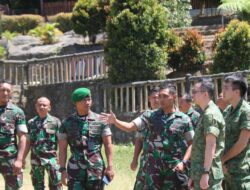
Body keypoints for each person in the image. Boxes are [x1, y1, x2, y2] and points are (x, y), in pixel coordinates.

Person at [102, 83, 194, 190]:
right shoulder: (150, 116)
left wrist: (183, 162)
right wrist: (115, 121)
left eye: (165, 96)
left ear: (173, 97)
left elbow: (192, 144)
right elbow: (130, 126)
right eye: (159, 96)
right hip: (153, 170)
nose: (161, 99)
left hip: (173, 170)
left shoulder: (184, 119)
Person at [58, 87, 114, 189]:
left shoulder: (101, 121)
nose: (87, 102)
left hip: (96, 169)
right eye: (83, 100)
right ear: (76, 102)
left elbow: (108, 144)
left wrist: (110, 166)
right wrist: (62, 170)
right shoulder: (67, 123)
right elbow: (62, 149)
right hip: (75, 170)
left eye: (89, 99)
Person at [189, 78, 225, 190]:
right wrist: (194, 176)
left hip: (208, 175)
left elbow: (211, 145)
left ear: (205, 94)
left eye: (195, 92)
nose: (192, 95)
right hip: (201, 173)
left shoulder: (210, 114)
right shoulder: (206, 113)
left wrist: (205, 173)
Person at [24, 97, 62, 190]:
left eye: (44, 105)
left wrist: (61, 159)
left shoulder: (55, 122)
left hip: (52, 159)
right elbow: (27, 142)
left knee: (55, 185)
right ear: (36, 107)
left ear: (49, 107)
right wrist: (22, 158)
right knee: (37, 186)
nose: (42, 107)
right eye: (39, 105)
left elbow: (62, 142)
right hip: (36, 159)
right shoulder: (31, 122)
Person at [221, 74, 250, 190]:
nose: (222, 91)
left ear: (236, 92)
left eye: (226, 88)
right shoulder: (228, 110)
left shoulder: (246, 111)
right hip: (227, 172)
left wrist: (222, 160)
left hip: (241, 173)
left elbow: (241, 144)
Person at [0, 79, 27, 189]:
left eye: (8, 90)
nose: (5, 93)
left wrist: (20, 160)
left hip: (10, 158)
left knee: (13, 187)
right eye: (2, 90)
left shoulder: (17, 112)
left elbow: (22, 137)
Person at [131, 87, 159, 189]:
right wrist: (135, 159)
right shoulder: (145, 117)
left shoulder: (169, 115)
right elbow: (139, 139)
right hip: (147, 161)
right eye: (153, 98)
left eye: (158, 97)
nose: (156, 100)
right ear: (149, 99)